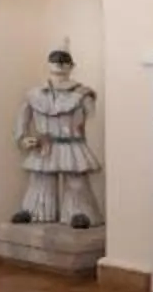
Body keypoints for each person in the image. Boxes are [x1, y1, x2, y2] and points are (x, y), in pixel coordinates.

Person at [13, 48, 102, 228]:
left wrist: (96, 146)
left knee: (75, 180)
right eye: (55, 60)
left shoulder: (82, 94)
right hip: (45, 144)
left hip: (71, 142)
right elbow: (22, 119)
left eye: (64, 61)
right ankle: (36, 211)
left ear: (71, 66)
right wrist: (23, 138)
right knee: (40, 179)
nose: (59, 63)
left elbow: (94, 122)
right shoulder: (34, 94)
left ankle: (80, 212)